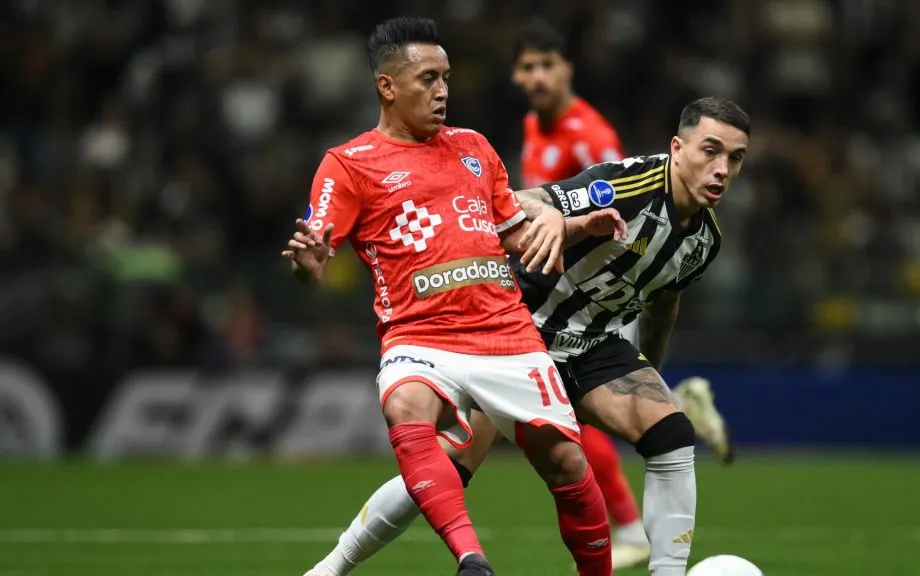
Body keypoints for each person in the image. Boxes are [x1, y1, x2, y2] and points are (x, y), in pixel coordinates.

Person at [308, 96, 750, 576]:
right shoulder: (627, 186)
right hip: (521, 332)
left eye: (735, 157)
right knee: (450, 466)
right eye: (711, 150)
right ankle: (331, 568)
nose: (722, 168)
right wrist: (556, 217)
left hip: (594, 346)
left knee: (673, 434)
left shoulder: (705, 239)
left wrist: (650, 369)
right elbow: (521, 202)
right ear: (678, 147)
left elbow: (665, 301)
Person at [285, 17, 627, 576]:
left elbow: (516, 232)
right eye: (427, 79)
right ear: (387, 87)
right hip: (419, 335)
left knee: (566, 462)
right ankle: (472, 560)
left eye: (445, 77)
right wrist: (308, 265)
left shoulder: (474, 148)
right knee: (407, 405)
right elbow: (314, 250)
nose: (443, 91)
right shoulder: (348, 164)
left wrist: (575, 228)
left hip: (507, 334)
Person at [512, 18, 733, 569]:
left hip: (611, 292)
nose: (537, 77)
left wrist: (567, 224)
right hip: (532, 313)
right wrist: (550, 225)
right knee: (461, 454)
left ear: (568, 70)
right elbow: (527, 201)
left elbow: (624, 211)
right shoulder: (536, 128)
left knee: (642, 428)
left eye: (547, 66)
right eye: (527, 67)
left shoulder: (593, 138)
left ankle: (634, 527)